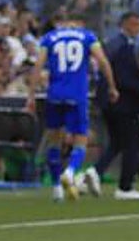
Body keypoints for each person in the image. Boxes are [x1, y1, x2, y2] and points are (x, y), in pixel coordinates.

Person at [26, 13, 117, 201]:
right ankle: (70, 171)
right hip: (77, 95)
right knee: (81, 138)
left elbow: (38, 66)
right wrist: (112, 86)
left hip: (55, 94)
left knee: (54, 139)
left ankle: (56, 188)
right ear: (77, 23)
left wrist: (31, 94)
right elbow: (103, 61)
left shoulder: (49, 38)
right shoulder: (87, 36)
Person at [94, 11, 139, 199]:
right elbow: (123, 79)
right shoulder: (122, 47)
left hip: (112, 102)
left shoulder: (115, 44)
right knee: (132, 144)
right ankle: (125, 187)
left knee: (117, 143)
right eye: (135, 24)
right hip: (122, 104)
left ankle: (93, 173)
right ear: (125, 24)